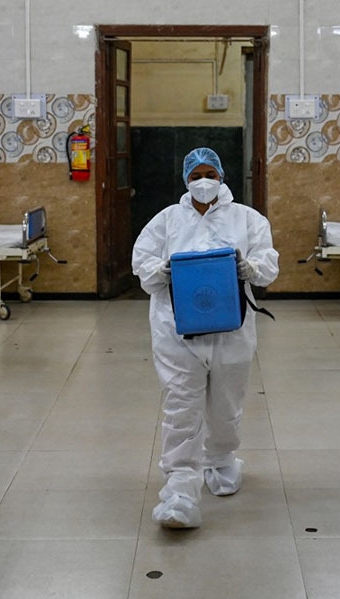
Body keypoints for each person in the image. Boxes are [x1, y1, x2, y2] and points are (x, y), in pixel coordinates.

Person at [132, 147, 279, 529]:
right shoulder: (166, 220)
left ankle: (221, 459)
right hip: (176, 330)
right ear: (185, 180)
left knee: (226, 406)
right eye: (195, 175)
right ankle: (180, 489)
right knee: (182, 406)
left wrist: (249, 267)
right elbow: (142, 262)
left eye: (209, 173)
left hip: (233, 330)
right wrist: (161, 270)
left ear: (221, 176)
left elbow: (268, 266)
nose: (202, 182)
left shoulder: (247, 219)